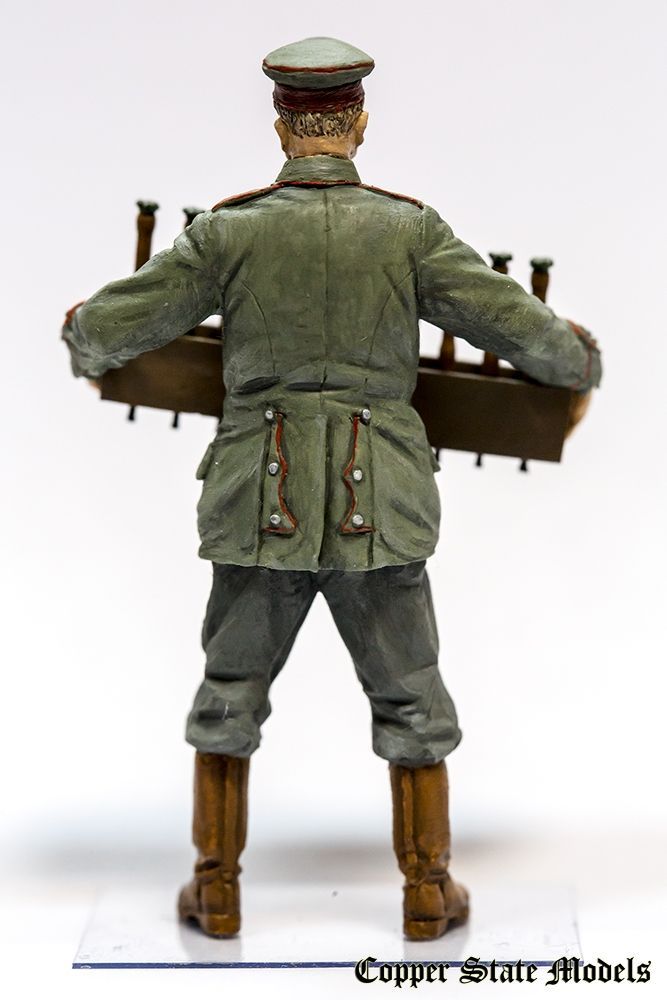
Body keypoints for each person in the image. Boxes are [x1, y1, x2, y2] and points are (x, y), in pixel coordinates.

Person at [62, 36, 601, 941]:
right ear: (359, 122)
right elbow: (528, 335)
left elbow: (106, 331)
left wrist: (82, 332)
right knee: (411, 696)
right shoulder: (408, 230)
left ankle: (216, 888)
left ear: (282, 127)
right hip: (376, 502)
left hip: (258, 503)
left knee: (229, 694)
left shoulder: (228, 231)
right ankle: (427, 890)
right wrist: (580, 359)